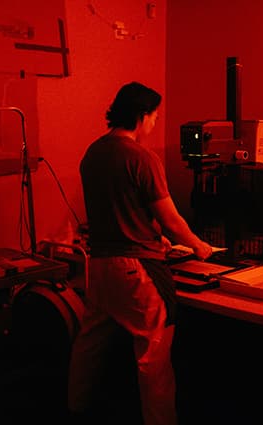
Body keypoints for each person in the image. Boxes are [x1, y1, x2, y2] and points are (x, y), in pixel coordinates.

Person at [69, 81, 213, 425]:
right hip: (137, 269)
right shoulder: (142, 157)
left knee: (88, 345)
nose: (153, 125)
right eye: (154, 117)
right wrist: (199, 245)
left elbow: (119, 209)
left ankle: (73, 408)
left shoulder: (93, 153)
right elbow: (172, 220)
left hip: (100, 266)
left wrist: (151, 233)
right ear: (141, 115)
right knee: (154, 359)